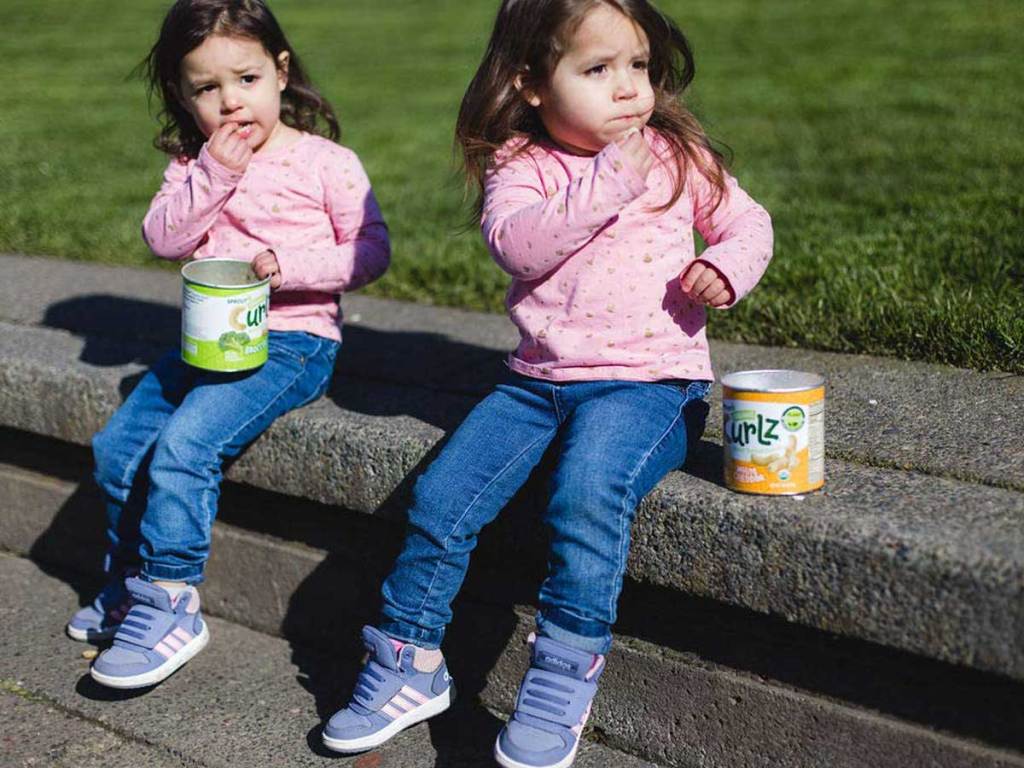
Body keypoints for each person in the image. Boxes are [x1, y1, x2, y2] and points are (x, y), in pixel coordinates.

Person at [322, 0, 771, 765]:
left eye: (639, 66)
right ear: (531, 83)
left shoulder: (673, 153)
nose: (629, 87)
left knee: (586, 493)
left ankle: (563, 676)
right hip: (537, 384)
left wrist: (726, 268)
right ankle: (408, 663)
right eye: (598, 70)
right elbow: (519, 248)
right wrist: (605, 180)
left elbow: (747, 223)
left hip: (651, 385)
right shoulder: (521, 165)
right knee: (440, 500)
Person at [67, 0, 390, 690]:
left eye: (244, 79)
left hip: (293, 340)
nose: (230, 102)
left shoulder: (325, 162)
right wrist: (213, 174)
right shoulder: (194, 165)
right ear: (183, 97)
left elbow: (371, 252)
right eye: (206, 89)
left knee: (186, 446)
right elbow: (164, 239)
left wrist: (292, 265)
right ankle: (131, 584)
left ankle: (172, 598)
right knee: (118, 449)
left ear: (280, 72)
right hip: (203, 343)